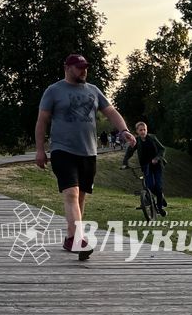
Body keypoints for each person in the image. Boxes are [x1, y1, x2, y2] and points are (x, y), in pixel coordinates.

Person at [35, 54, 135, 254]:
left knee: (80, 196)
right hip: (62, 150)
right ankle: (79, 239)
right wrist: (40, 149)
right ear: (67, 67)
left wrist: (124, 131)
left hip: (88, 152)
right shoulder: (54, 91)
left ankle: (71, 238)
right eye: (79, 67)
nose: (84, 71)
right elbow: (42, 120)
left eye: (85, 67)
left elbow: (111, 111)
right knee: (71, 193)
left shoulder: (93, 90)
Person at [122, 121, 168, 216]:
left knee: (158, 186)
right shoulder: (136, 141)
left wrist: (157, 158)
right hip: (146, 166)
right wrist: (125, 163)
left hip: (157, 165)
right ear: (137, 131)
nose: (143, 132)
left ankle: (159, 208)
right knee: (150, 186)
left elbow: (162, 149)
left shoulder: (152, 138)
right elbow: (129, 152)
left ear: (147, 130)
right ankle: (160, 197)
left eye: (144, 130)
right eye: (140, 130)